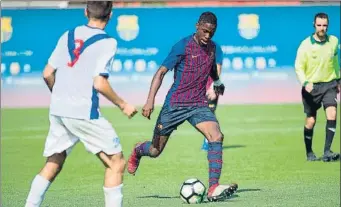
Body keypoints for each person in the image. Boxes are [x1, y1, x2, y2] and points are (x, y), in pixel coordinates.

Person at [25, 2, 138, 207]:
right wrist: (123, 105)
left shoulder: (67, 35)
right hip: (84, 112)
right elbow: (100, 83)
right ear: (110, 15)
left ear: (85, 12)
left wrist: (61, 96)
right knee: (116, 162)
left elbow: (47, 73)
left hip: (59, 110)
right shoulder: (108, 42)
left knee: (54, 162)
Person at [127, 11, 238, 202]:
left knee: (216, 135)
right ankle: (138, 150)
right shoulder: (183, 46)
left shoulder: (212, 48)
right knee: (155, 151)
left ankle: (213, 187)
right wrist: (149, 100)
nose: (207, 36)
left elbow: (211, 67)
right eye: (204, 31)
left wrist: (217, 81)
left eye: (212, 32)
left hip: (198, 104)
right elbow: (161, 73)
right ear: (197, 26)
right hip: (175, 104)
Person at [295, 12, 340, 162]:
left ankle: (327, 151)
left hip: (329, 84)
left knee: (332, 114)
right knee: (311, 120)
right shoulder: (305, 45)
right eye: (319, 25)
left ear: (328, 26)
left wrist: (338, 79)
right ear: (314, 25)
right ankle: (309, 152)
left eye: (325, 25)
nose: (322, 28)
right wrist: (305, 82)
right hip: (311, 86)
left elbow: (335, 62)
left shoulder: (333, 41)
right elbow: (298, 67)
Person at [201, 45, 223, 151]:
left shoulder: (215, 48)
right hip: (197, 87)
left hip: (210, 88)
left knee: (209, 114)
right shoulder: (192, 47)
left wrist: (213, 87)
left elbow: (218, 67)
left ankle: (210, 140)